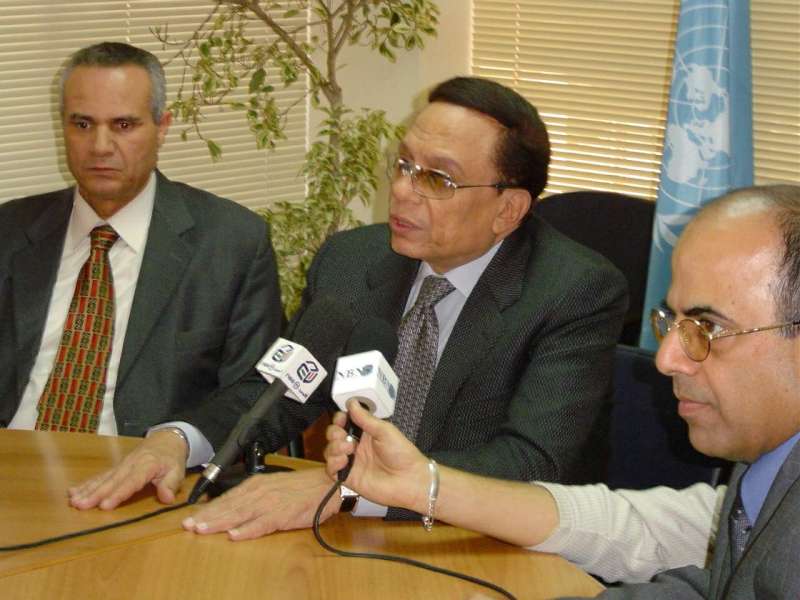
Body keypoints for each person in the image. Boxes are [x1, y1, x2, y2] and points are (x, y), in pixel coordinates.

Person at [70, 76, 628, 539]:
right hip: (355, 536)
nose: (403, 192)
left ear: (508, 209)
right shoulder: (352, 260)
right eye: (404, 164)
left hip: (494, 549)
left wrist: (354, 487)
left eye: (437, 178)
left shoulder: (574, 292)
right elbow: (280, 391)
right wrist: (179, 439)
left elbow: (531, 462)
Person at [325, 184, 800, 598]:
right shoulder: (769, 467)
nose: (665, 358)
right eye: (670, 323)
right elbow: (700, 566)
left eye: (707, 327)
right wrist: (423, 485)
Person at [0, 42, 281, 483]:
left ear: (162, 126)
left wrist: (178, 439)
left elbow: (257, 389)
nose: (100, 146)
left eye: (124, 125)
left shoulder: (232, 243)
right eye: (82, 124)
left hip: (142, 481)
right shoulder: (10, 231)